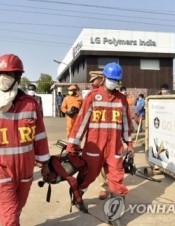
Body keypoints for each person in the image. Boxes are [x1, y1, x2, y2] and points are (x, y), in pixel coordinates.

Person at [0, 54, 51, 226]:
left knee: (17, 208)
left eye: (8, 73)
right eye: (0, 73)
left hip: (26, 170)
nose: (2, 77)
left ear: (18, 76)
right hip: (0, 168)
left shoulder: (30, 105)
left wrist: (45, 164)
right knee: (10, 214)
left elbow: (40, 136)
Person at [66, 62, 134, 225]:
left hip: (114, 149)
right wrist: (72, 145)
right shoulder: (92, 96)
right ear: (104, 78)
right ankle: (77, 196)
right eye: (111, 79)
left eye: (116, 80)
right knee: (88, 176)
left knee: (117, 180)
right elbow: (80, 123)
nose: (113, 82)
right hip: (94, 147)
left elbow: (126, 124)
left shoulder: (121, 99)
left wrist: (129, 143)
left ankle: (114, 215)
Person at [89, 71, 109, 200]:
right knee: (100, 162)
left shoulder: (115, 96)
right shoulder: (92, 96)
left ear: (101, 80)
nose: (91, 83)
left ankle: (112, 183)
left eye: (93, 80)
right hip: (97, 135)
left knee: (111, 162)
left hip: (112, 135)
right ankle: (103, 187)